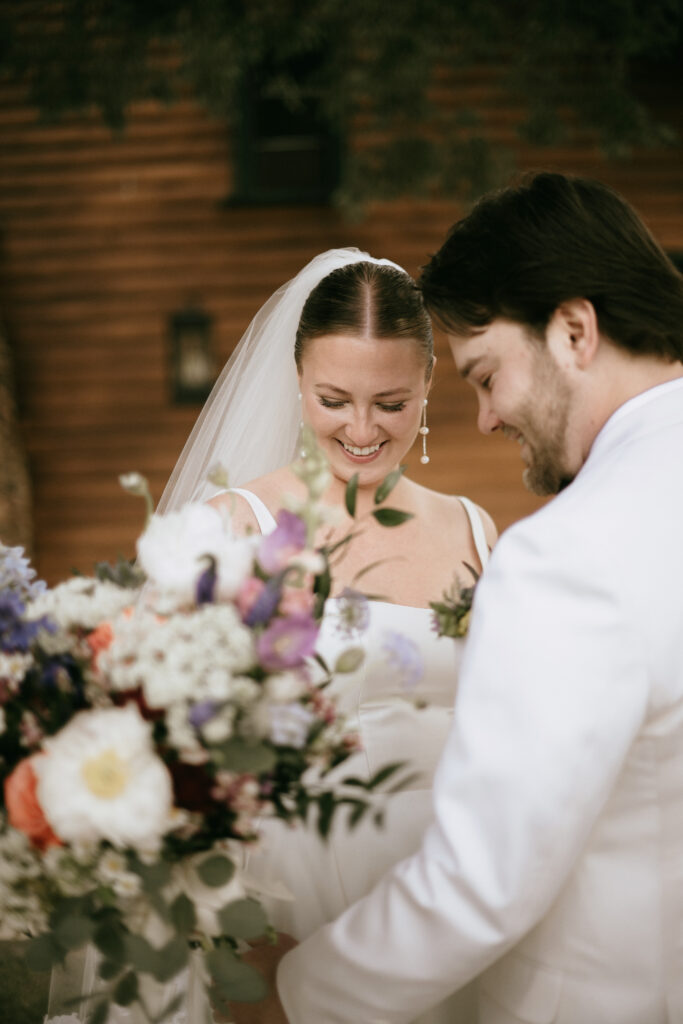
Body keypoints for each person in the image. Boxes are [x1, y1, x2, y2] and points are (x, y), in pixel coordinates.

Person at [234, 173, 683, 1024]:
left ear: (574, 331)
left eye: (484, 374)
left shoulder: (565, 555)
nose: (482, 419)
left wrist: (294, 995)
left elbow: (483, 883)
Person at [165, 248, 496, 1024]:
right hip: (297, 899)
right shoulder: (231, 530)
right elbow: (178, 755)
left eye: (389, 402)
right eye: (333, 398)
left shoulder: (474, 530)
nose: (359, 428)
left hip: (454, 897)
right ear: (296, 382)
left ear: (426, 387)